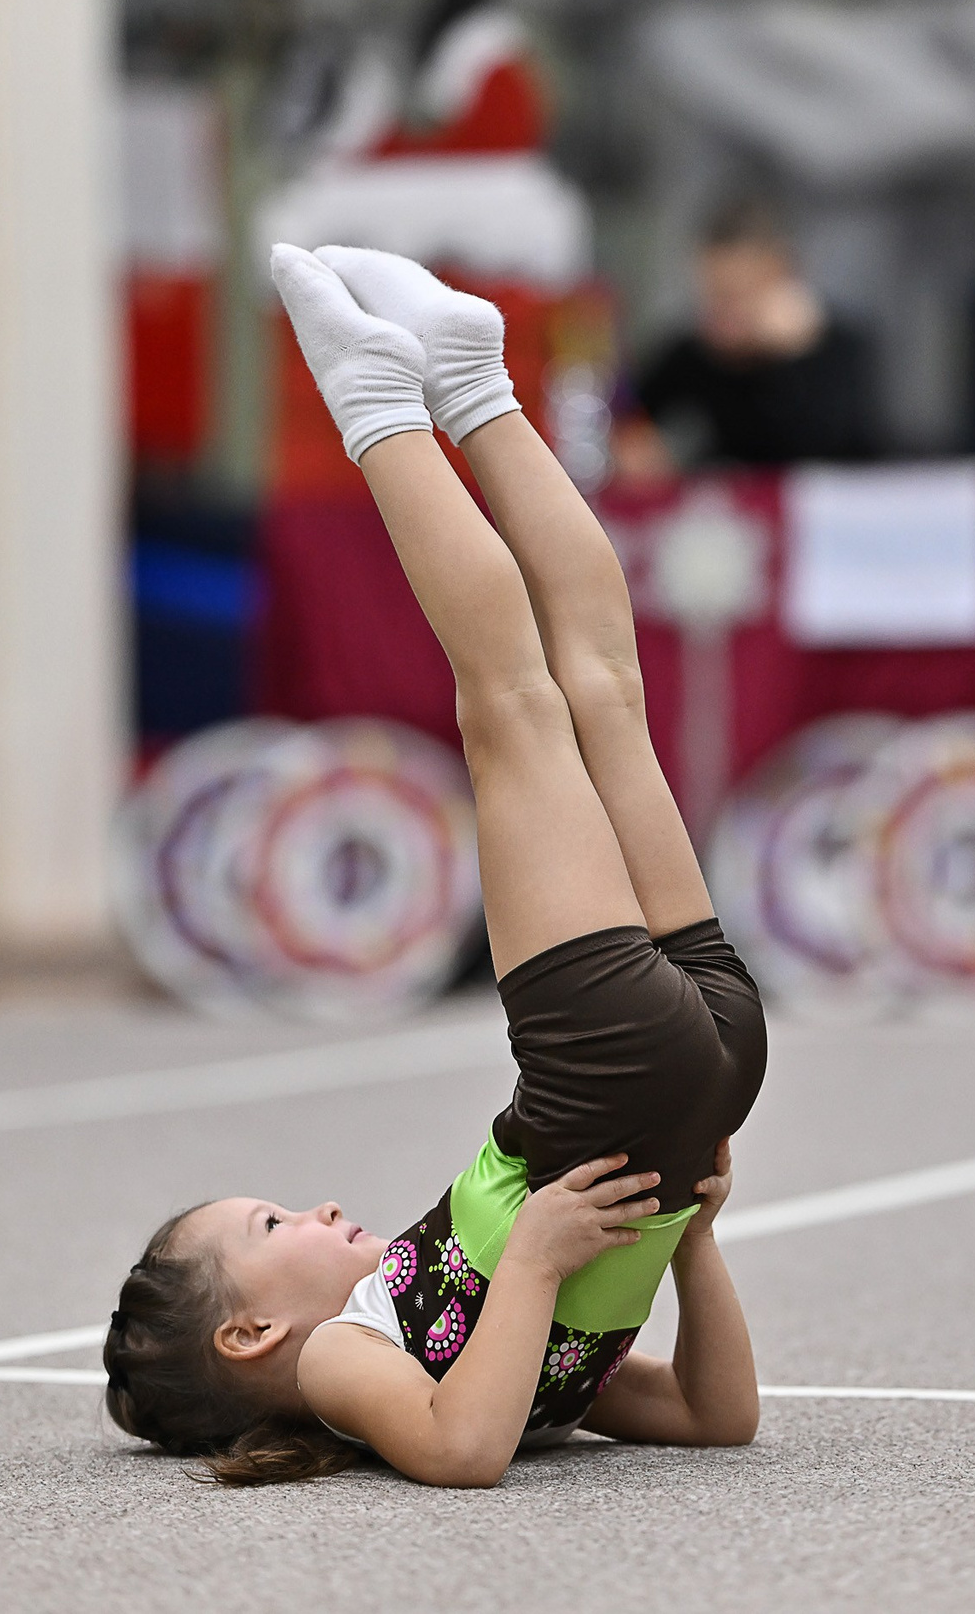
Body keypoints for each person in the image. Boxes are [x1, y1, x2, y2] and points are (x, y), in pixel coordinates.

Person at [103, 244, 767, 1488]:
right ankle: (381, 401)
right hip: (624, 1083)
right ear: (254, 1334)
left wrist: (646, 1235)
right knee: (513, 701)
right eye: (270, 1229)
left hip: (692, 1075)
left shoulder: (480, 1343)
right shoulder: (341, 1363)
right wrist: (670, 1245)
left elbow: (696, 1417)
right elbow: (480, 1453)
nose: (311, 1212)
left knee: (600, 693)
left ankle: (475, 389)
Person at [617, 197, 882, 483]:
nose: (724, 312)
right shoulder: (695, 354)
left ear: (781, 275)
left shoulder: (841, 348)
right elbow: (627, 409)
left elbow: (840, 450)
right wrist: (639, 447)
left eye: (738, 294)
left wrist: (790, 359)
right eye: (713, 295)